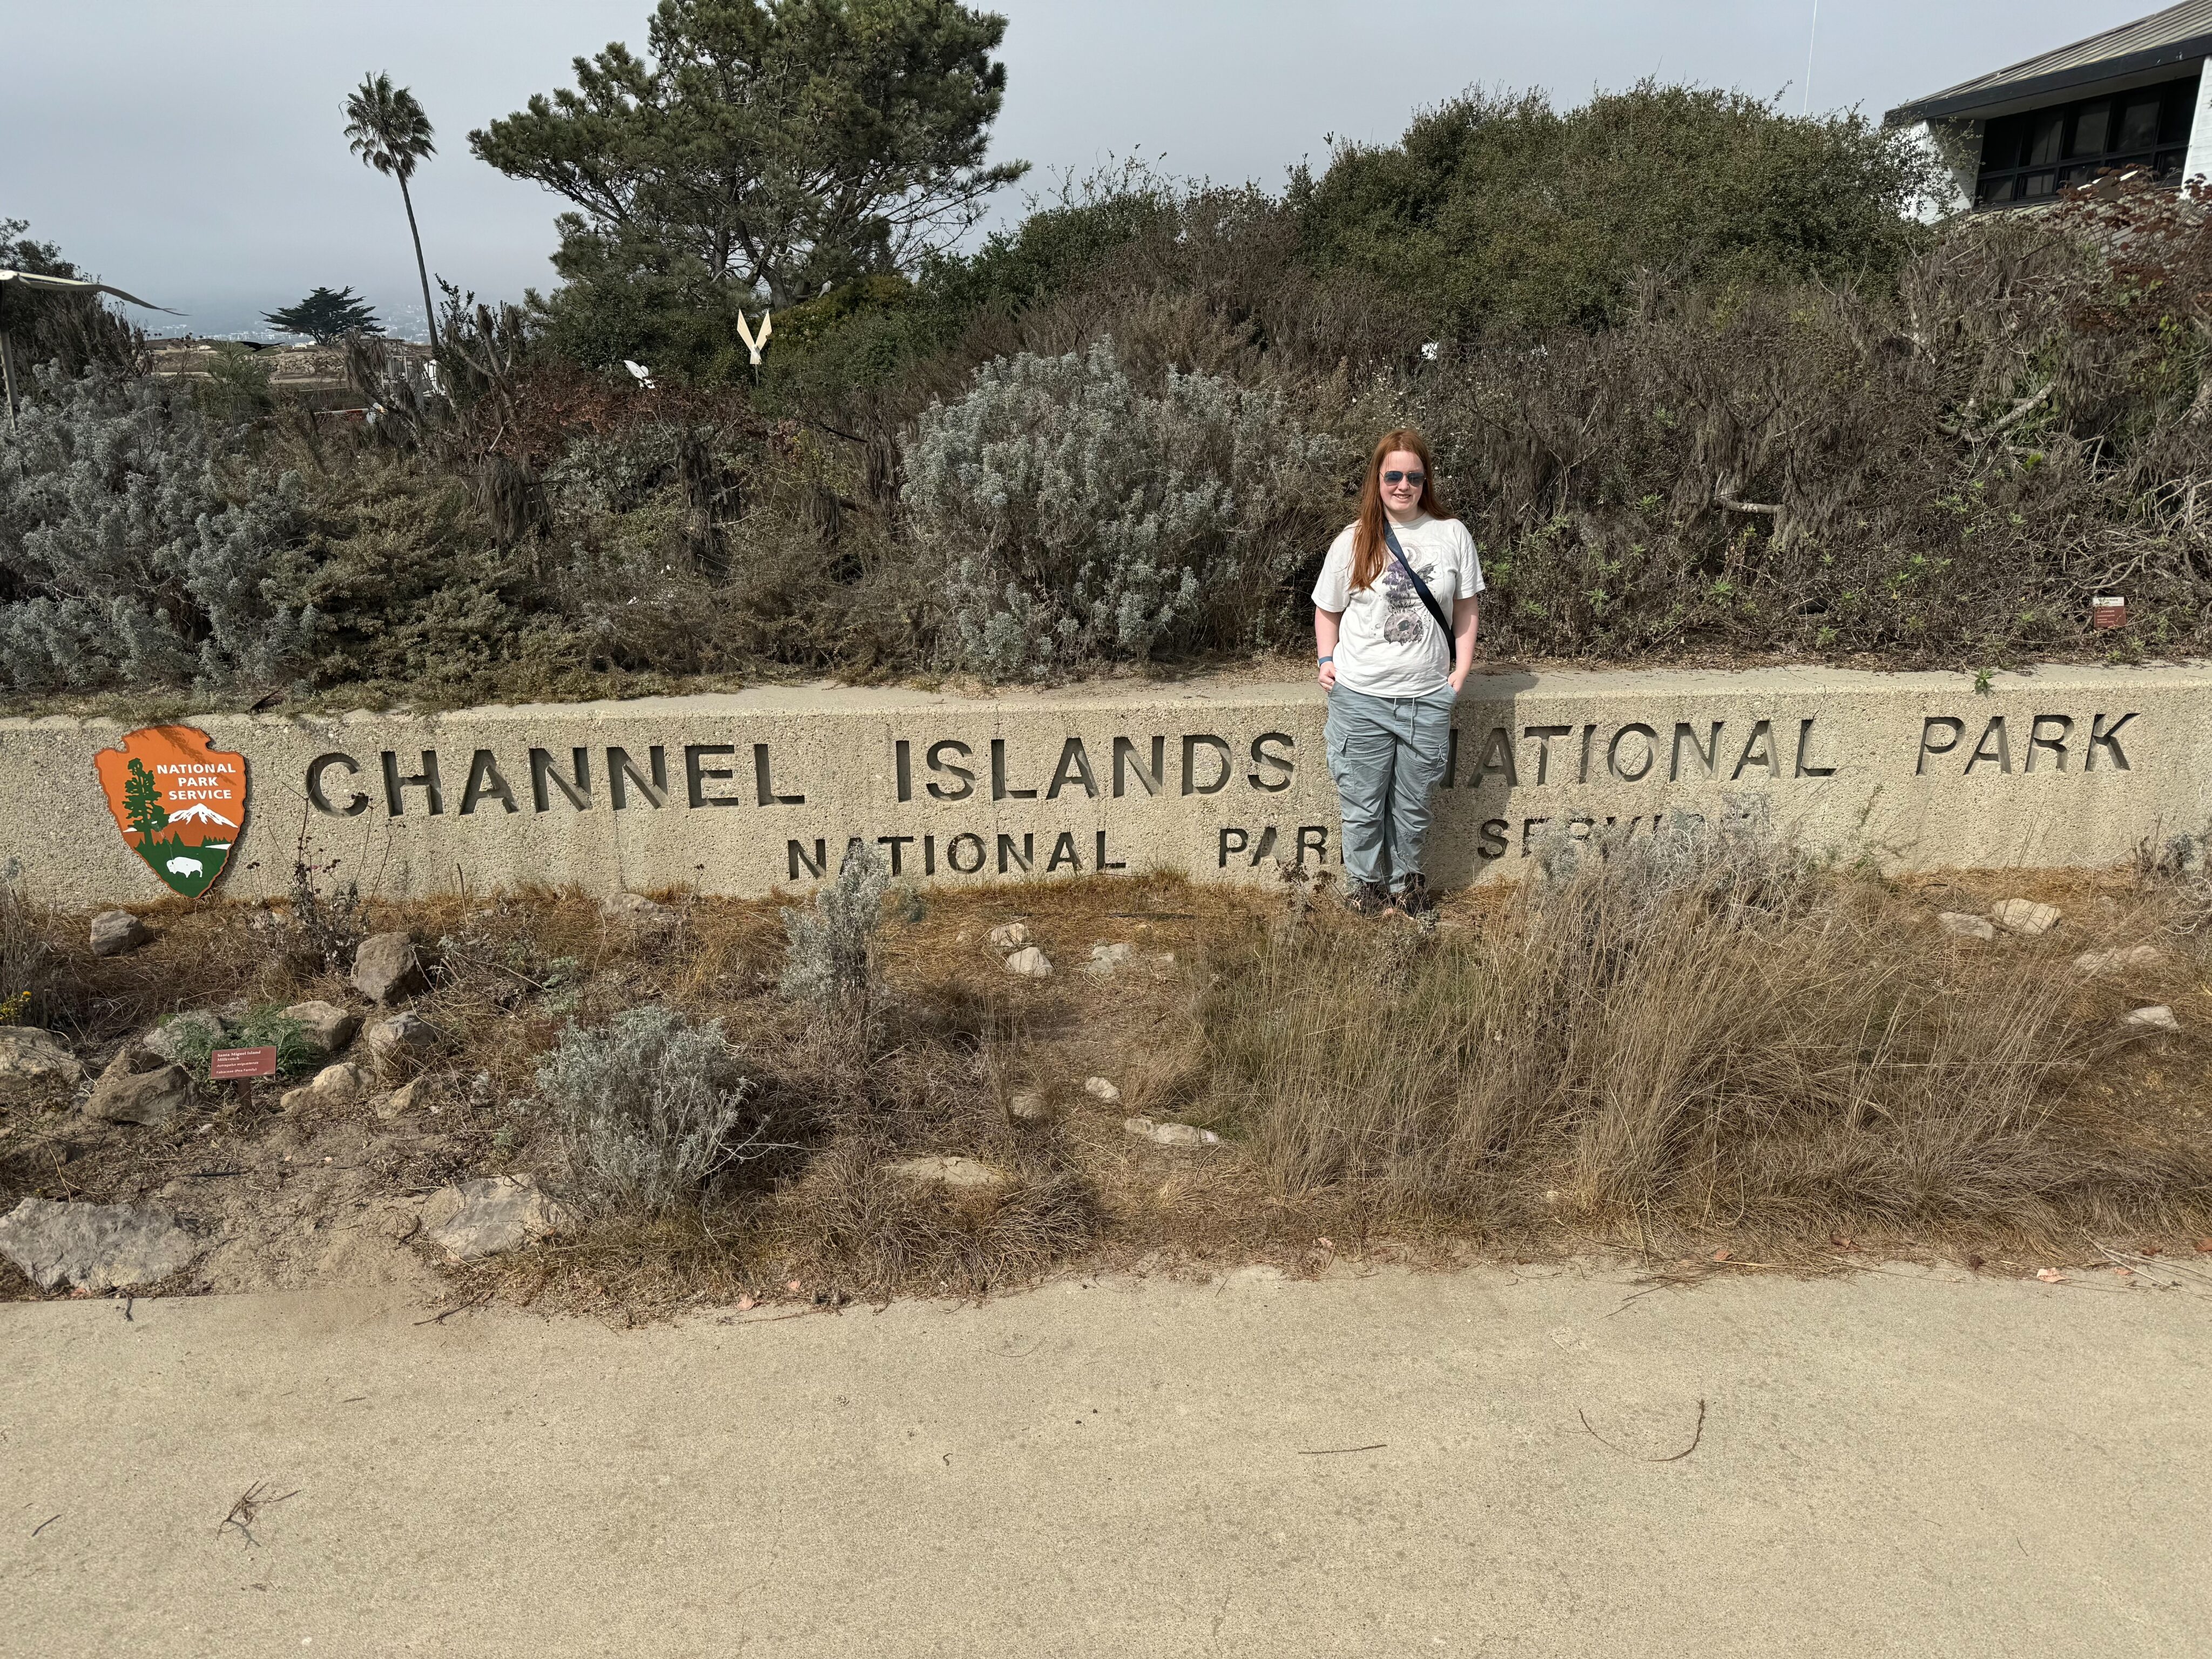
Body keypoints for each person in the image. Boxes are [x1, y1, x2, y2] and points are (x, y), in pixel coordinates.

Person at [1312, 428, 1482, 918]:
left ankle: (1405, 889)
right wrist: (1327, 661)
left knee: (1413, 806)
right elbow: (1328, 610)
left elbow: (1467, 607)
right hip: (1361, 696)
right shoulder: (1353, 541)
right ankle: (1365, 892)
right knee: (1363, 806)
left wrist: (1462, 669)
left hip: (1426, 696)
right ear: (1378, 479)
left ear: (1425, 480)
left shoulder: (1451, 535)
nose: (1403, 485)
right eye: (1393, 476)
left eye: (1413, 476)